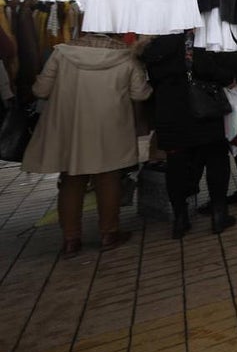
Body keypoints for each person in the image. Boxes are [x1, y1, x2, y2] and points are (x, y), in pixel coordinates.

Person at [23, 33, 151, 255]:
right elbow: (140, 94)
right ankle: (109, 234)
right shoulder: (125, 57)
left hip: (71, 128)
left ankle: (71, 239)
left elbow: (40, 90)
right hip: (109, 128)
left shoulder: (61, 54)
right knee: (109, 178)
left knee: (71, 180)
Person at [138, 34, 237, 238]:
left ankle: (180, 219)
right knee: (216, 158)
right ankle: (219, 215)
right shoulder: (188, 40)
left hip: (168, 112)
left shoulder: (151, 48)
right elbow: (206, 68)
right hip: (201, 108)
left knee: (175, 164)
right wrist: (228, 78)